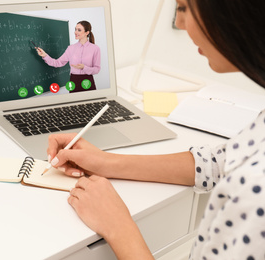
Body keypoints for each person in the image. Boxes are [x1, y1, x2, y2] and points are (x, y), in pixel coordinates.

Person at [45, 0, 265, 259]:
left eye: (183, 8)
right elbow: (217, 162)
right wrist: (106, 162)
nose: (179, 24)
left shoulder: (255, 194)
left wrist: (118, 226)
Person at [36, 21, 101, 92]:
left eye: (79, 30)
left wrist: (84, 67)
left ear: (87, 33)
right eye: (75, 29)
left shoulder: (95, 48)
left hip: (88, 82)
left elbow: (97, 69)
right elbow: (58, 63)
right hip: (74, 82)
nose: (75, 32)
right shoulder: (71, 48)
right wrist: (45, 55)